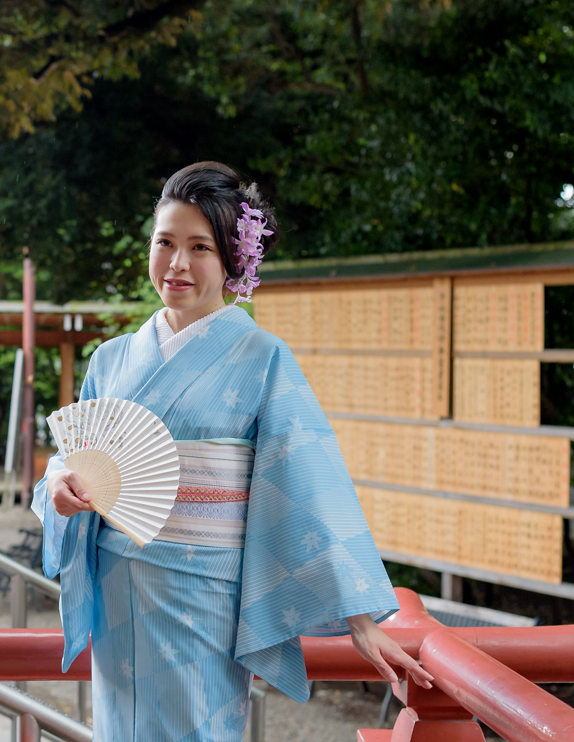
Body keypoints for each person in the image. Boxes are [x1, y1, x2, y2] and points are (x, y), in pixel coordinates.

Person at [32, 162, 434, 741]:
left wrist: (361, 620)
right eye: (164, 243)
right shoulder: (111, 359)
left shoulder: (262, 356)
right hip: (117, 586)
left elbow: (306, 483)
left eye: (200, 247)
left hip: (203, 592)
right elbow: (80, 458)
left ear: (233, 260)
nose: (177, 263)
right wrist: (59, 485)